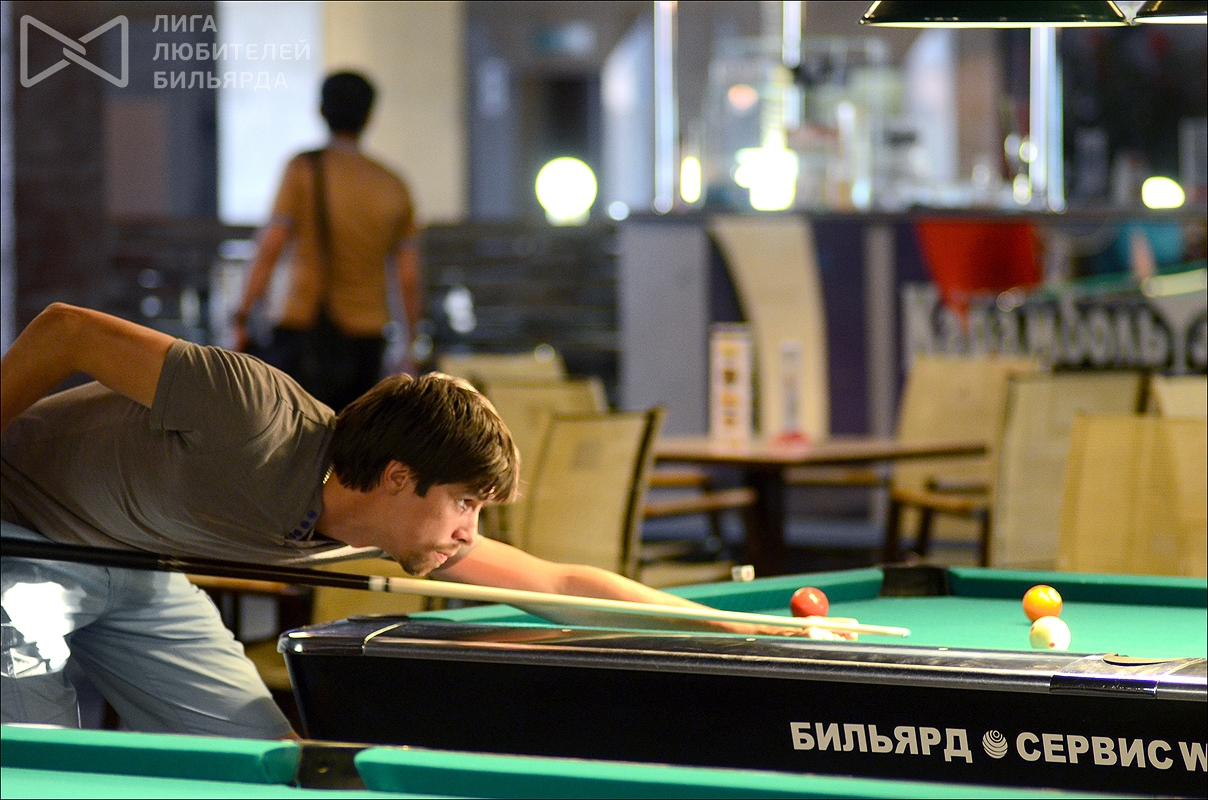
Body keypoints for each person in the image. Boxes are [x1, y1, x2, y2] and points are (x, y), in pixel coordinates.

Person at [1, 304, 820, 739]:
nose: (469, 530)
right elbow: (65, 331)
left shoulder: (390, 522)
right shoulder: (249, 411)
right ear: (398, 477)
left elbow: (560, 582)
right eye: (465, 502)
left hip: (139, 567)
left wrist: (734, 629)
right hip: (23, 538)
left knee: (267, 766)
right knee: (38, 762)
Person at [232, 71, 422, 412]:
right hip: (367, 335)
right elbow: (407, 277)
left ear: (321, 110)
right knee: (352, 433)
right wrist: (410, 342)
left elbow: (270, 248)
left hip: (303, 326)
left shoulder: (302, 169)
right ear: (369, 116)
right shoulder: (393, 185)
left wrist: (243, 315)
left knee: (298, 430)